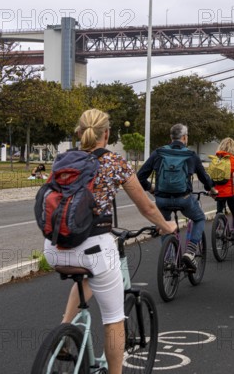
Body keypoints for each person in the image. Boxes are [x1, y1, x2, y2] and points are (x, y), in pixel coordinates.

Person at [43, 109, 176, 374]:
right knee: (114, 319)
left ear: (79, 133)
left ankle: (65, 330)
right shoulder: (115, 162)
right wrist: (167, 226)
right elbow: (147, 208)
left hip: (55, 248)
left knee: (86, 278)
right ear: (107, 133)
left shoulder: (63, 160)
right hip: (94, 248)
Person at [138, 124, 218, 270]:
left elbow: (140, 176)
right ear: (185, 137)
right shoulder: (191, 155)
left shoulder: (158, 153)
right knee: (199, 218)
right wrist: (212, 189)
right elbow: (204, 177)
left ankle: (169, 258)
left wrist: (151, 188)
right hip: (184, 199)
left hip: (162, 199)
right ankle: (191, 251)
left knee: (164, 224)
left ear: (171, 137)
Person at [213, 137, 234, 253]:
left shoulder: (216, 159)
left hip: (217, 192)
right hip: (230, 192)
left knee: (219, 212)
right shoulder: (233, 160)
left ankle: (218, 229)